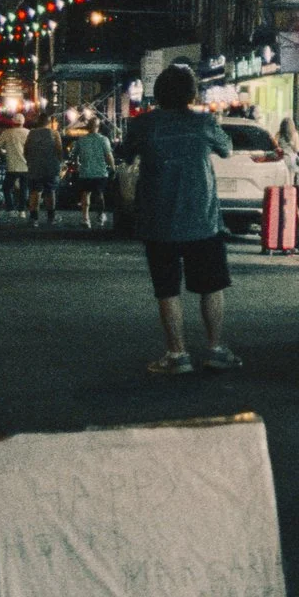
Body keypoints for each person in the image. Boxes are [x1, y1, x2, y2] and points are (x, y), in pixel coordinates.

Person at [117, 66, 239, 374]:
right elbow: (227, 149)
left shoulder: (143, 125)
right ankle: (215, 349)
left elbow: (126, 155)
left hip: (158, 220)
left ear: (158, 94)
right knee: (211, 286)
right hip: (202, 218)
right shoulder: (204, 122)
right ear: (192, 94)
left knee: (167, 289)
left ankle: (177, 354)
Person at [72, 118, 116, 230]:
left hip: (85, 172)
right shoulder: (103, 139)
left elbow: (74, 154)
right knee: (99, 195)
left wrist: (77, 164)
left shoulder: (81, 140)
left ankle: (85, 219)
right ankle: (100, 216)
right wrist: (113, 168)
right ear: (98, 127)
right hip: (100, 172)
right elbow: (108, 156)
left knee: (85, 194)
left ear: (88, 127)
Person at [24, 116, 64, 224]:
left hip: (35, 167)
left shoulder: (31, 133)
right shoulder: (54, 134)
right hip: (50, 167)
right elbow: (59, 150)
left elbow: (26, 149)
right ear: (49, 123)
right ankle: (51, 217)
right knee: (50, 191)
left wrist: (29, 161)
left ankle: (34, 218)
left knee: (34, 192)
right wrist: (59, 163)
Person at [0, 120, 31, 213]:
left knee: (6, 187)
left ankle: (10, 208)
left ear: (12, 123)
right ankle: (22, 210)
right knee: (24, 188)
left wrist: (4, 152)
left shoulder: (7, 132)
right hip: (25, 165)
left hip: (12, 165)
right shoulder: (28, 132)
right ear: (23, 122)